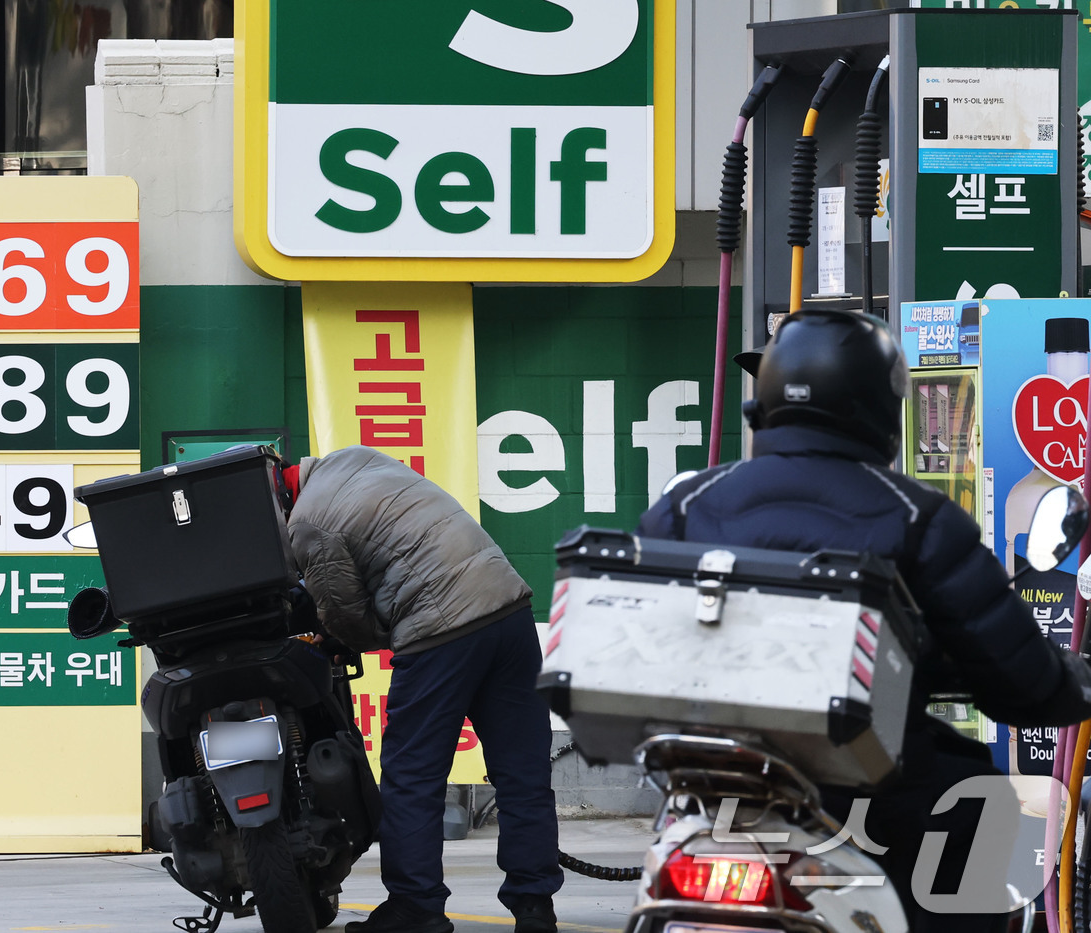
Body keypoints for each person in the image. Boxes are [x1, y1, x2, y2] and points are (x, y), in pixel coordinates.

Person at [636, 307, 1091, 933]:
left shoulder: (682, 506)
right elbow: (1021, 681)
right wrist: (1065, 681)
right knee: (977, 802)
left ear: (763, 402)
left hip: (718, 790)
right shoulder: (920, 518)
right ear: (882, 410)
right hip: (870, 795)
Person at [280, 445, 563, 933]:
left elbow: (345, 616)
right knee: (523, 772)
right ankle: (535, 905)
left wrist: (340, 640)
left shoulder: (307, 522)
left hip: (442, 635)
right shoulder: (360, 459)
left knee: (413, 773)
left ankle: (416, 905)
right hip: (511, 612)